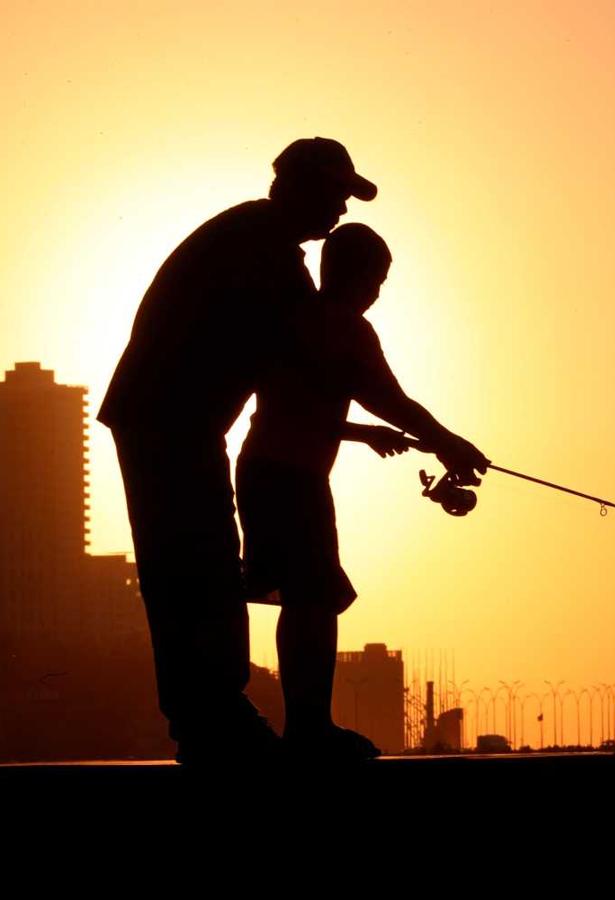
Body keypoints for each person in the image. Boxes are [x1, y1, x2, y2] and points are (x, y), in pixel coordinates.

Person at [99, 138, 383, 765]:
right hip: (170, 423)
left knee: (195, 568)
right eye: (335, 195)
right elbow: (321, 360)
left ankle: (211, 719)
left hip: (174, 422)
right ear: (299, 187)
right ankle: (214, 724)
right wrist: (426, 430)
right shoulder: (265, 254)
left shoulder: (256, 239)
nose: (340, 209)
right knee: (196, 569)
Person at [235, 222, 487, 763]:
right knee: (314, 598)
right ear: (357, 276)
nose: (377, 293)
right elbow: (391, 400)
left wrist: (359, 433)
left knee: (305, 597)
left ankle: (305, 725)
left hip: (262, 471)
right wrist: (450, 445)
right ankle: (309, 729)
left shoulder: (295, 318)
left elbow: (294, 408)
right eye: (377, 280)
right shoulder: (346, 329)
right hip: (293, 477)